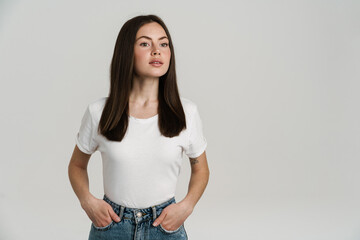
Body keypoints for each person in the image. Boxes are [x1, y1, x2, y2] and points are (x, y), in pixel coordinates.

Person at [68, 14, 209, 240]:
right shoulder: (99, 112)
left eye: (163, 43)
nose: (157, 50)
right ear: (127, 52)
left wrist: (187, 206)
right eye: (145, 43)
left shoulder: (186, 112)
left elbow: (201, 169)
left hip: (165, 226)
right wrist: (87, 201)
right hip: (112, 227)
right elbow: (76, 165)